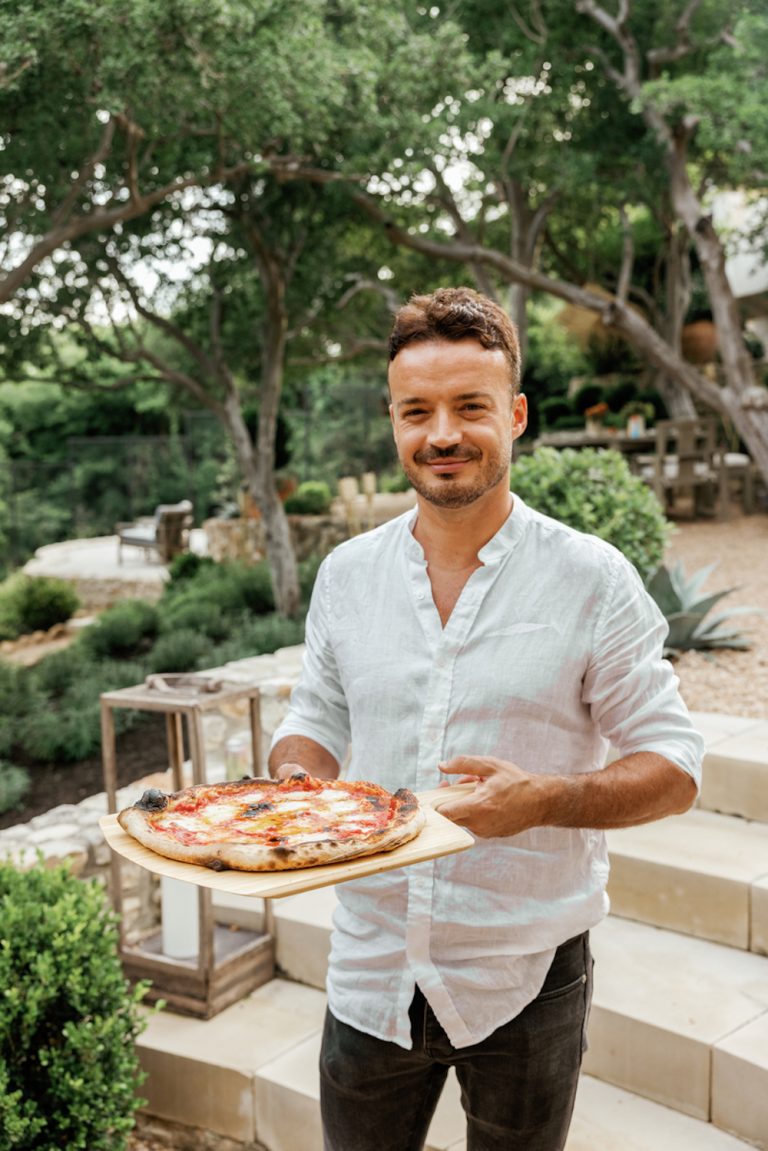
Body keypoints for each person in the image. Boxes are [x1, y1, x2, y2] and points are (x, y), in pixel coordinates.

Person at [268, 286, 703, 1151]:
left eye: (470, 406)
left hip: (527, 976)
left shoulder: (592, 578)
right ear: (392, 420)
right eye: (416, 410)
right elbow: (312, 716)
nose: (442, 434)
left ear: (516, 414)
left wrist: (543, 800)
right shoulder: (347, 575)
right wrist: (298, 791)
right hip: (370, 966)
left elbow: (677, 764)